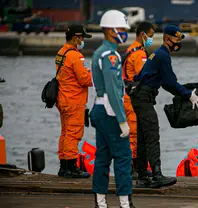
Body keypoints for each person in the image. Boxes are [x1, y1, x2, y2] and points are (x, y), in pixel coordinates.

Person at [131, 25, 198, 189]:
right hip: (144, 98)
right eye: (177, 39)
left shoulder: (157, 54)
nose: (178, 43)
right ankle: (156, 175)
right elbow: (170, 82)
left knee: (143, 137)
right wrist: (188, 95)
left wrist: (183, 92)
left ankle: (142, 176)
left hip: (140, 97)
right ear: (167, 39)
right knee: (152, 135)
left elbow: (162, 82)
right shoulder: (163, 55)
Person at [90, 10, 134, 208]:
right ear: (110, 30)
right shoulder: (110, 55)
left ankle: (100, 202)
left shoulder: (99, 52)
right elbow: (113, 90)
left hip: (99, 108)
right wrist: (122, 120)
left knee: (103, 158)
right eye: (122, 29)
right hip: (110, 111)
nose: (124, 33)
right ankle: (125, 203)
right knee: (124, 157)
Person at [56, 24, 92, 178]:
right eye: (82, 37)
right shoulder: (75, 55)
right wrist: (95, 75)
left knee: (65, 133)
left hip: (63, 98)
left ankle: (64, 166)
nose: (83, 40)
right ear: (76, 37)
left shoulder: (61, 52)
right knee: (73, 134)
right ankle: (71, 167)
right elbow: (84, 79)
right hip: (74, 100)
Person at [122, 21, 155, 175]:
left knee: (133, 132)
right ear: (143, 34)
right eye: (151, 36)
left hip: (128, 95)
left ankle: (135, 165)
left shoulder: (130, 50)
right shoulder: (139, 54)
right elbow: (143, 76)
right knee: (135, 133)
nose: (151, 39)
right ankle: (134, 167)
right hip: (134, 98)